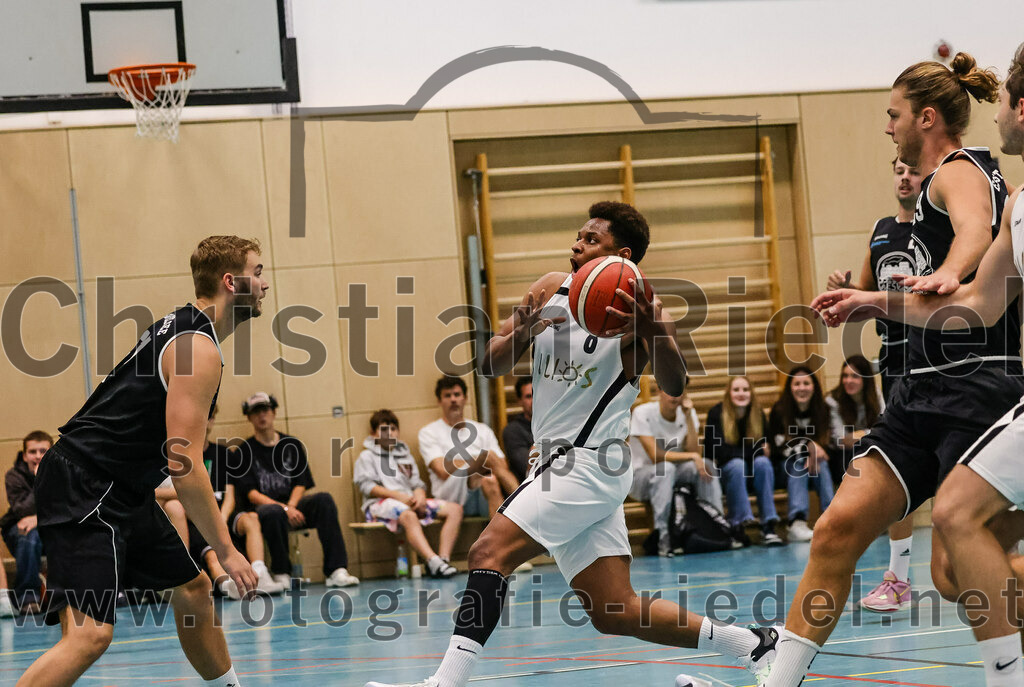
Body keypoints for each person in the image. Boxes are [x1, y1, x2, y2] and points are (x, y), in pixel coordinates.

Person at [368, 201, 778, 687]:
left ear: (619, 255)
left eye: (589, 239)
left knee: (487, 553)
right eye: (578, 236)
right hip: (552, 463)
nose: (575, 245)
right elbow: (489, 364)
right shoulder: (549, 288)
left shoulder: (640, 313)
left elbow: (674, 382)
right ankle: (753, 642)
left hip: (589, 465)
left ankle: (443, 684)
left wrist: (657, 334)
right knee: (614, 610)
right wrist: (522, 329)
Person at [735, 53, 1024, 687]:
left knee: (953, 574)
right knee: (836, 531)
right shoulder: (916, 201)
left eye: (892, 115)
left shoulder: (960, 167)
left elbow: (976, 229)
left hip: (975, 388)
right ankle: (777, 683)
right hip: (915, 394)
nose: (886, 127)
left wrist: (953, 268)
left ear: (925, 118)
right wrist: (867, 299)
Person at [18, 236, 266, 687]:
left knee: (193, 589)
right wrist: (227, 551)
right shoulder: (198, 348)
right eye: (259, 272)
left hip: (117, 486)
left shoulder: (181, 325)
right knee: (90, 637)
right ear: (232, 282)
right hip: (88, 485)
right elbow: (184, 461)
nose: (266, 284)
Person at [825, 158, 923, 612]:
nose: (904, 177)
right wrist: (847, 292)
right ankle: (898, 579)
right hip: (894, 364)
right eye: (898, 170)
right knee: (896, 465)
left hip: (940, 358)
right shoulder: (881, 230)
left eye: (913, 170)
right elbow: (867, 298)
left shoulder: (943, 228)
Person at [154, 406, 284, 598]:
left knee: (251, 519)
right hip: (197, 517)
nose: (205, 422)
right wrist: (210, 519)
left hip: (221, 512)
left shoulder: (223, 453)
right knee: (213, 554)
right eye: (200, 417)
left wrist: (221, 518)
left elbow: (229, 493)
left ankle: (261, 572)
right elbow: (172, 492)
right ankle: (227, 586)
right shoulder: (175, 456)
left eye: (209, 417)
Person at [234, 392, 358, 588]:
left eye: (265, 410)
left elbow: (301, 482)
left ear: (274, 412)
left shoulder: (291, 444)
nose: (262, 416)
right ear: (249, 417)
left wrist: (290, 506)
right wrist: (284, 509)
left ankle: (336, 570)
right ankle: (282, 572)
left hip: (294, 505)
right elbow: (251, 494)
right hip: (266, 510)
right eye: (255, 412)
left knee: (324, 500)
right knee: (273, 512)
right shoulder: (243, 451)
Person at [354, 409, 462, 578]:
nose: (389, 432)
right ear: (373, 434)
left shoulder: (405, 455)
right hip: (380, 504)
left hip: (409, 500)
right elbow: (367, 487)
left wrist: (419, 496)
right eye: (384, 429)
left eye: (393, 428)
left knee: (455, 510)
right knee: (408, 515)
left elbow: (417, 483)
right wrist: (399, 497)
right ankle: (432, 561)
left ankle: (443, 560)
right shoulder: (366, 457)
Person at [628, 386, 723, 557]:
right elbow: (655, 455)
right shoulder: (642, 413)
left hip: (674, 473)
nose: (674, 396)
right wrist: (693, 456)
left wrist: (688, 418)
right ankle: (664, 540)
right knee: (666, 468)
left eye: (679, 391)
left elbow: (695, 451)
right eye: (669, 390)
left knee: (707, 465)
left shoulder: (688, 413)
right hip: (639, 477)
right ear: (659, 391)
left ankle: (718, 529)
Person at [418, 376, 519, 518]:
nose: (453, 399)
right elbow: (442, 470)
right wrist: (479, 462)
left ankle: (499, 534)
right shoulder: (429, 432)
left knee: (489, 480)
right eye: (447, 395)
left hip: (482, 490)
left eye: (457, 395)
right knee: (488, 457)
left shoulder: (482, 429)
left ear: (465, 398)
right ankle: (522, 498)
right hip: (450, 496)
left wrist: (471, 464)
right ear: (439, 401)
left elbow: (501, 465)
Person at [704, 376, 781, 547]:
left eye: (745, 390)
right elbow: (720, 452)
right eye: (736, 390)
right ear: (728, 393)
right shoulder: (716, 413)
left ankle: (768, 525)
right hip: (725, 475)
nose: (741, 394)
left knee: (763, 463)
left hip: (753, 472)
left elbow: (769, 451)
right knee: (738, 464)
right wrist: (755, 450)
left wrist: (754, 452)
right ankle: (738, 524)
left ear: (751, 393)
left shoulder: (758, 414)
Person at [767, 367, 835, 543]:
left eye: (806, 383)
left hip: (816, 468)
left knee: (821, 463)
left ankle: (832, 518)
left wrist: (814, 451)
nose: (802, 388)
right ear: (790, 387)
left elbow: (827, 447)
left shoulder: (823, 410)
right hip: (784, 470)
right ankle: (796, 521)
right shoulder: (780, 410)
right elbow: (779, 448)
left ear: (814, 387)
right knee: (798, 462)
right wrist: (808, 445)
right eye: (797, 383)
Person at [1, 431, 50, 614]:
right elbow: (22, 511)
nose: (38, 456)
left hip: (49, 526)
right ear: (24, 455)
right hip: (18, 529)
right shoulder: (14, 476)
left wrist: (38, 519)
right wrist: (39, 480)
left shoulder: (60, 474)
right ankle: (27, 597)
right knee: (29, 536)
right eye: (33, 451)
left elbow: (66, 507)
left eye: (43, 451)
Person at [824, 355, 882, 481]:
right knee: (853, 455)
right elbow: (842, 440)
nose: (848, 381)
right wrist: (870, 433)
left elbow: (884, 428)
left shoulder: (875, 394)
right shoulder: (833, 400)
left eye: (855, 376)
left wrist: (862, 433)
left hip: (868, 449)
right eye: (845, 376)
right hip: (841, 456)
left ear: (865, 379)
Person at [501, 377, 534, 482]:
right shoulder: (512, 431)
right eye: (529, 396)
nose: (534, 401)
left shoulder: (554, 424)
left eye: (536, 394)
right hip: (530, 486)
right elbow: (528, 466)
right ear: (520, 401)